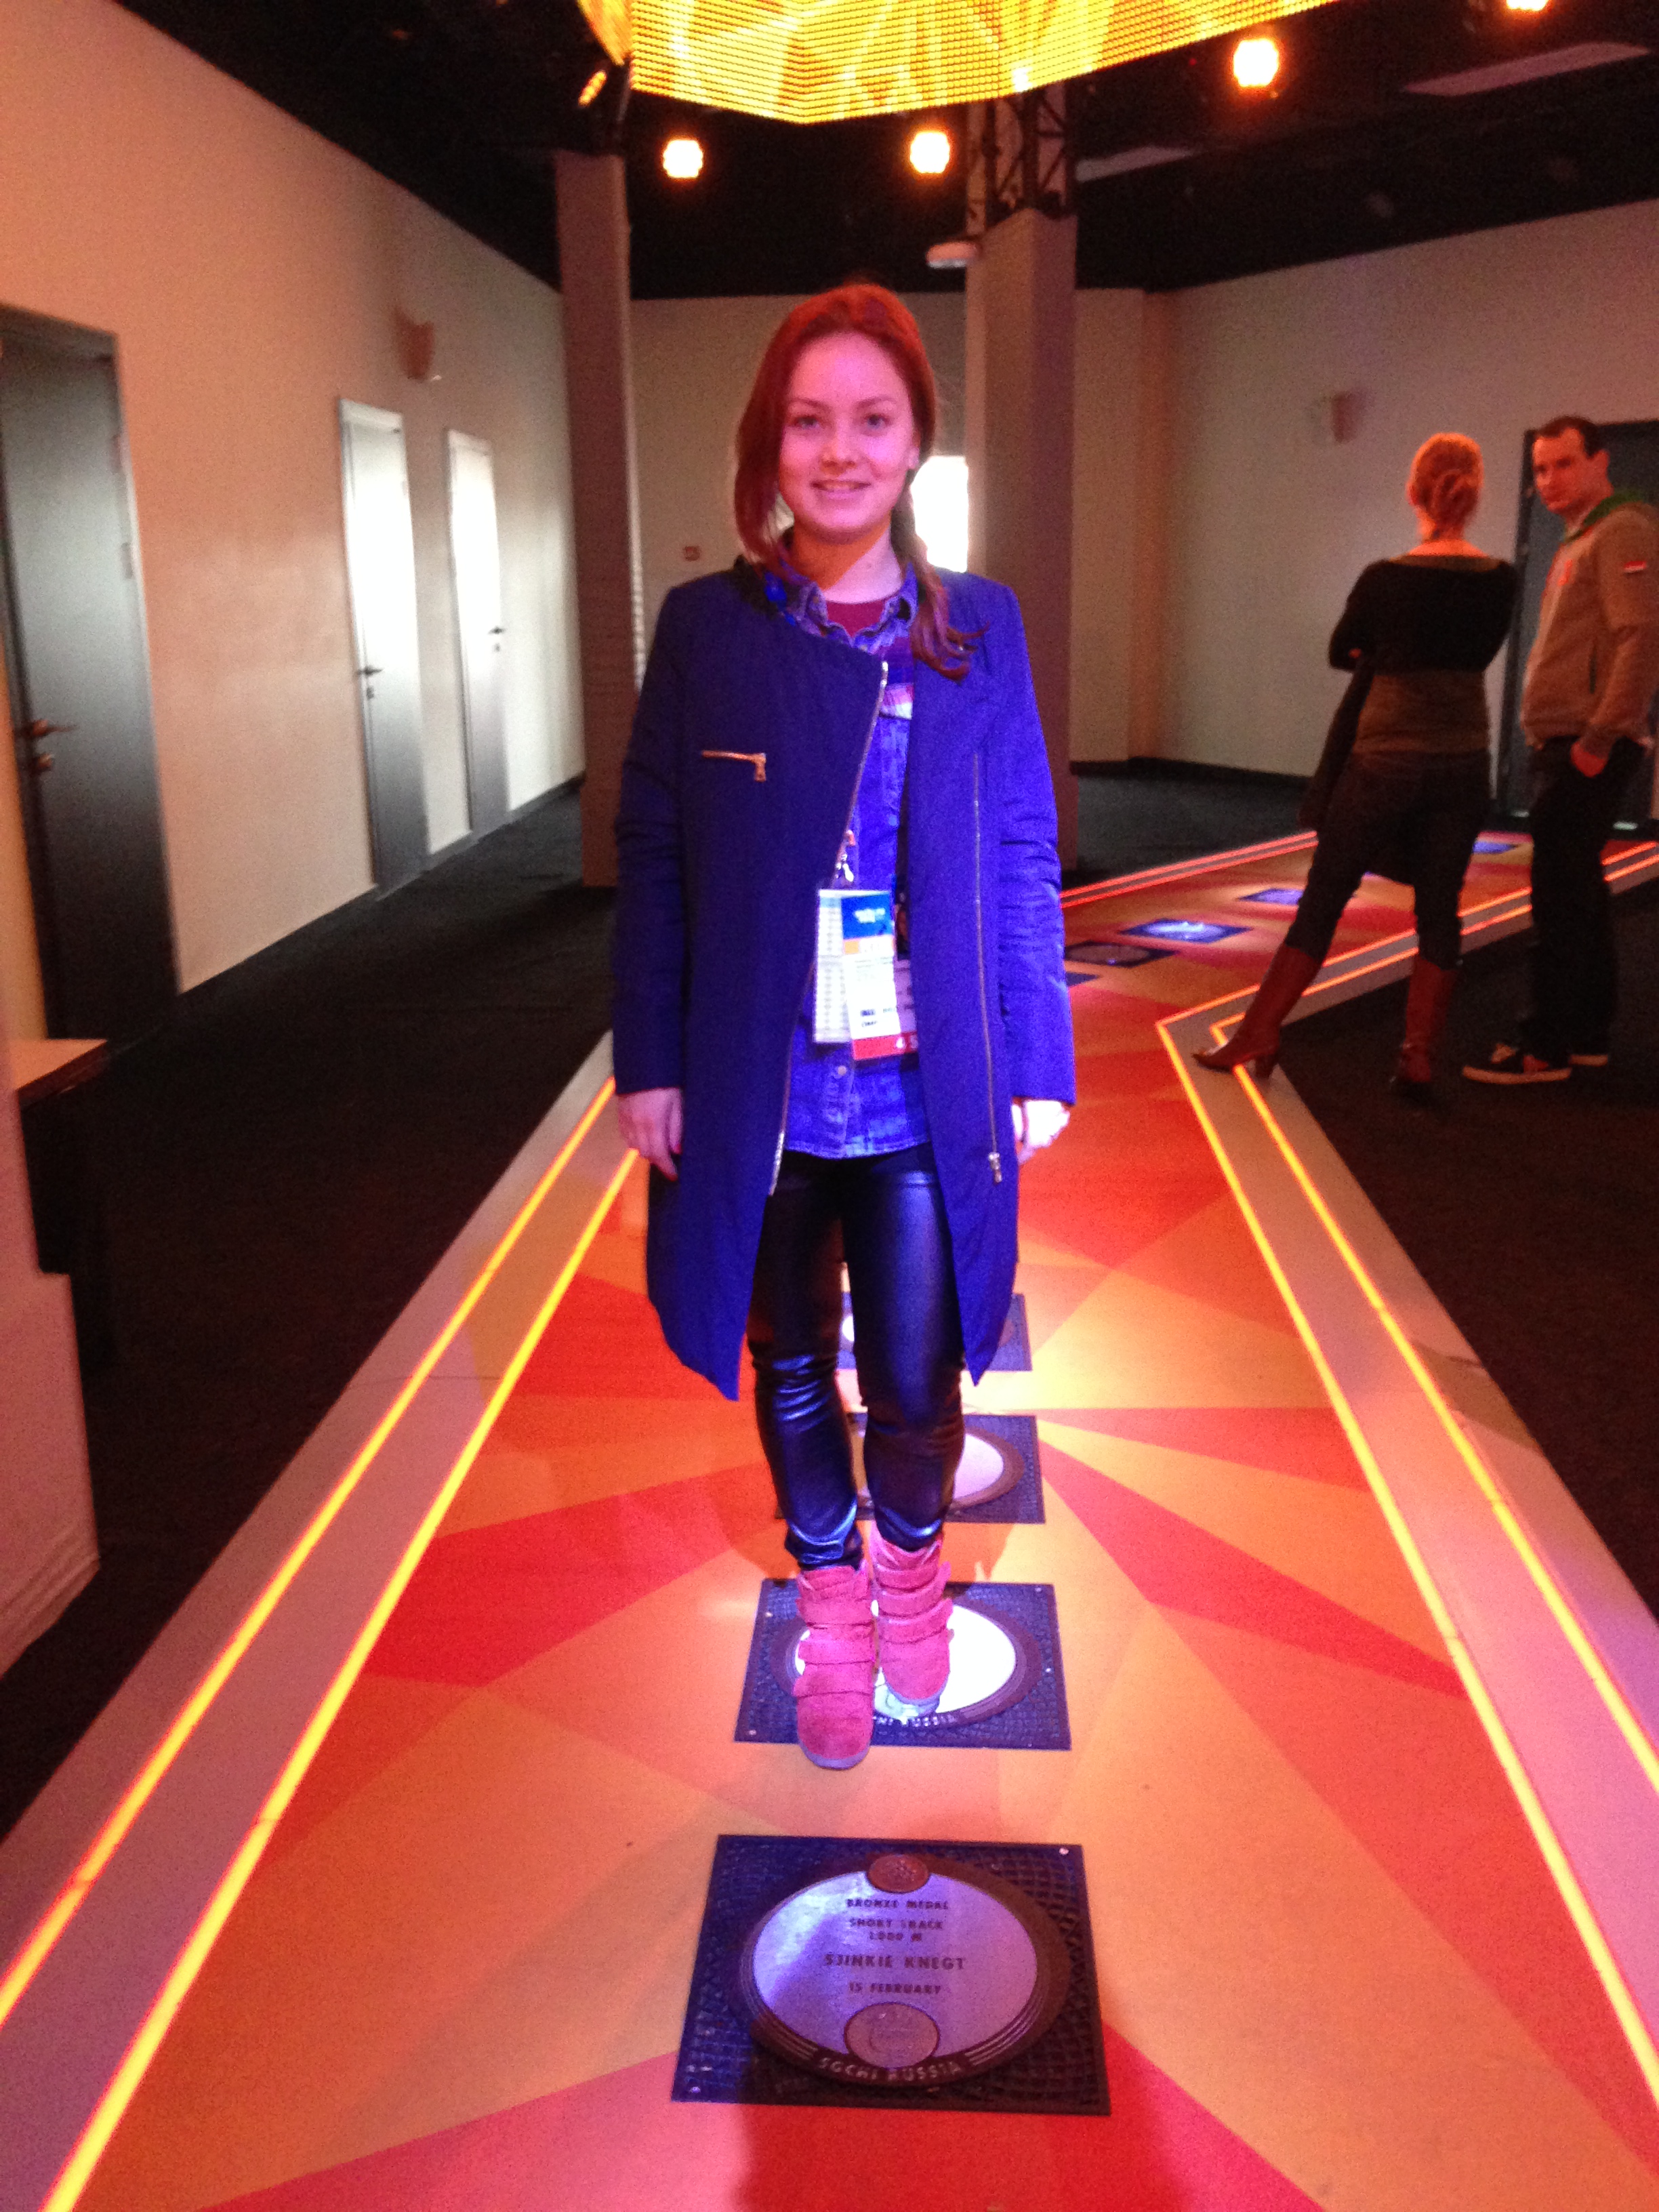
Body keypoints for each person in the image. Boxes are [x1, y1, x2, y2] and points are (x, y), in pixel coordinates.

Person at [611, 285, 1075, 1771]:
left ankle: (911, 1575)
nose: (839, 450)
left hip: (923, 1086)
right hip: (763, 1080)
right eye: (809, 421)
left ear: (914, 441)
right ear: (770, 444)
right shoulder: (709, 628)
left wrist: (1036, 1052)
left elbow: (1020, 843)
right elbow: (655, 847)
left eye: (872, 420)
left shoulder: (975, 624)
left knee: (922, 1379)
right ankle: (831, 1605)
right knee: (792, 1358)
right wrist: (650, 1059)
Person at [1197, 434, 1517, 1094]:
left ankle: (1259, 1031)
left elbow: (1343, 649)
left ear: (1414, 492)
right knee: (1440, 910)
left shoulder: (1385, 579)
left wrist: (1383, 653)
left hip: (1385, 759)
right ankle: (1419, 1055)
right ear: (1475, 494)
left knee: (1326, 895)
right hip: (1463, 760)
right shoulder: (1502, 581)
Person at [1465, 416, 1659, 1084]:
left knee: (1558, 899)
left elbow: (1641, 639)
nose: (1549, 479)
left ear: (1600, 462)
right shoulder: (1583, 535)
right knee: (1579, 893)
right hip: (1568, 739)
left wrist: (1599, 740)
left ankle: (1544, 1046)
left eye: (1564, 464)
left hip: (1586, 743)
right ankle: (1585, 1034)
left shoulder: (1621, 530)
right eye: (1542, 468)